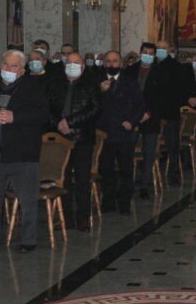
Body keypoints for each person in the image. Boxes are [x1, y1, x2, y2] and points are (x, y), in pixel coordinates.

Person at [0, 50, 49, 252]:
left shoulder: (33, 88)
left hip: (23, 154)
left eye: (13, 66)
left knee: (27, 201)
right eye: (5, 64)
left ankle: (28, 240)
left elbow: (42, 115)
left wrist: (15, 117)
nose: (8, 69)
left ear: (22, 70)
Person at [47, 52, 100, 230]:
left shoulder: (91, 84)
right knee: (63, 179)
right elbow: (47, 108)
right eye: (69, 62)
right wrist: (59, 124)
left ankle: (83, 217)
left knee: (82, 179)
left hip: (82, 137)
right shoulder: (55, 84)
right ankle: (65, 217)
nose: (72, 65)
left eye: (76, 63)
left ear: (83, 66)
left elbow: (94, 109)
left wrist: (70, 122)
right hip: (61, 138)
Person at [97, 50, 145, 215]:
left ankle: (124, 203)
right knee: (106, 169)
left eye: (115, 61)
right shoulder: (97, 81)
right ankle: (108, 201)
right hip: (105, 133)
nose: (111, 64)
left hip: (124, 133)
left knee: (125, 170)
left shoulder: (130, 82)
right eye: (108, 61)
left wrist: (131, 121)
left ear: (121, 63)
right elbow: (92, 104)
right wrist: (100, 92)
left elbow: (140, 105)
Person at [127, 42, 165, 195]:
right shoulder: (130, 70)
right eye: (145, 52)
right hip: (132, 117)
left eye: (150, 53)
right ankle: (129, 182)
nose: (147, 55)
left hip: (151, 117)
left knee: (149, 152)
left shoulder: (161, 72)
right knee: (128, 151)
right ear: (140, 52)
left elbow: (161, 97)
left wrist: (148, 113)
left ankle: (145, 184)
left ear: (154, 55)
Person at [155, 40, 185, 184]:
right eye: (158, 48)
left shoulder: (176, 67)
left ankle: (173, 173)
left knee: (172, 145)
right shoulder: (152, 65)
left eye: (163, 48)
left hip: (171, 112)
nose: (160, 50)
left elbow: (179, 90)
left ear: (169, 50)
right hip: (154, 112)